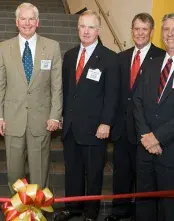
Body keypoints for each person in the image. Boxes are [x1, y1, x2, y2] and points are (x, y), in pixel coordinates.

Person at [54, 10, 119, 221]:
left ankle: (91, 213)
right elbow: (66, 89)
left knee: (93, 174)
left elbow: (112, 95)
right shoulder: (70, 55)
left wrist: (106, 123)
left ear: (98, 30)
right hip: (71, 127)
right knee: (72, 171)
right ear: (77, 28)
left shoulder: (109, 58)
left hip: (95, 128)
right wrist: (62, 116)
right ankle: (73, 208)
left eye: (91, 27)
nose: (86, 31)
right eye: (82, 26)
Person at [133, 13, 174, 221]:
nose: (170, 34)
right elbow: (138, 102)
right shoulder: (151, 64)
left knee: (170, 211)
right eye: (166, 29)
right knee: (144, 209)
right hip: (145, 151)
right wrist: (146, 135)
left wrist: (157, 137)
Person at [0, 2, 62, 190]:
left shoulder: (52, 47)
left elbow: (57, 86)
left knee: (40, 171)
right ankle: (17, 212)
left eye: (31, 19)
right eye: (23, 18)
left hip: (41, 120)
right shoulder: (4, 48)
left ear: (37, 22)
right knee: (14, 172)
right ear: (16, 22)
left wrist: (55, 115)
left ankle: (38, 212)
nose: (27, 23)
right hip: (12, 119)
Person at [106, 13, 165, 221]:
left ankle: (141, 215)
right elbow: (114, 92)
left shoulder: (161, 57)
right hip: (122, 128)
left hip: (145, 130)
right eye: (136, 29)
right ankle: (119, 211)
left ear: (151, 31)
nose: (140, 33)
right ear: (132, 31)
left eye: (144, 29)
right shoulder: (121, 57)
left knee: (144, 177)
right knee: (120, 174)